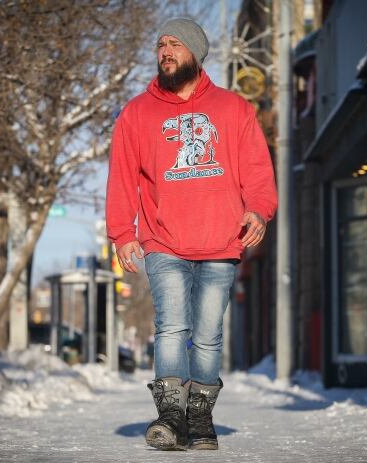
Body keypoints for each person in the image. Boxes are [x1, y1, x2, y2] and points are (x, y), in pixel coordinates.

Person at [106, 17, 277, 451]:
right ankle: (170, 417)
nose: (165, 51)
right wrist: (123, 233)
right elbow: (122, 178)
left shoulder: (234, 109)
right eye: (160, 44)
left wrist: (259, 210)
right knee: (171, 328)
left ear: (196, 54)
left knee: (206, 334)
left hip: (221, 240)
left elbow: (257, 170)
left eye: (174, 44)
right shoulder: (136, 114)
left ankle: (199, 420)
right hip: (164, 240)